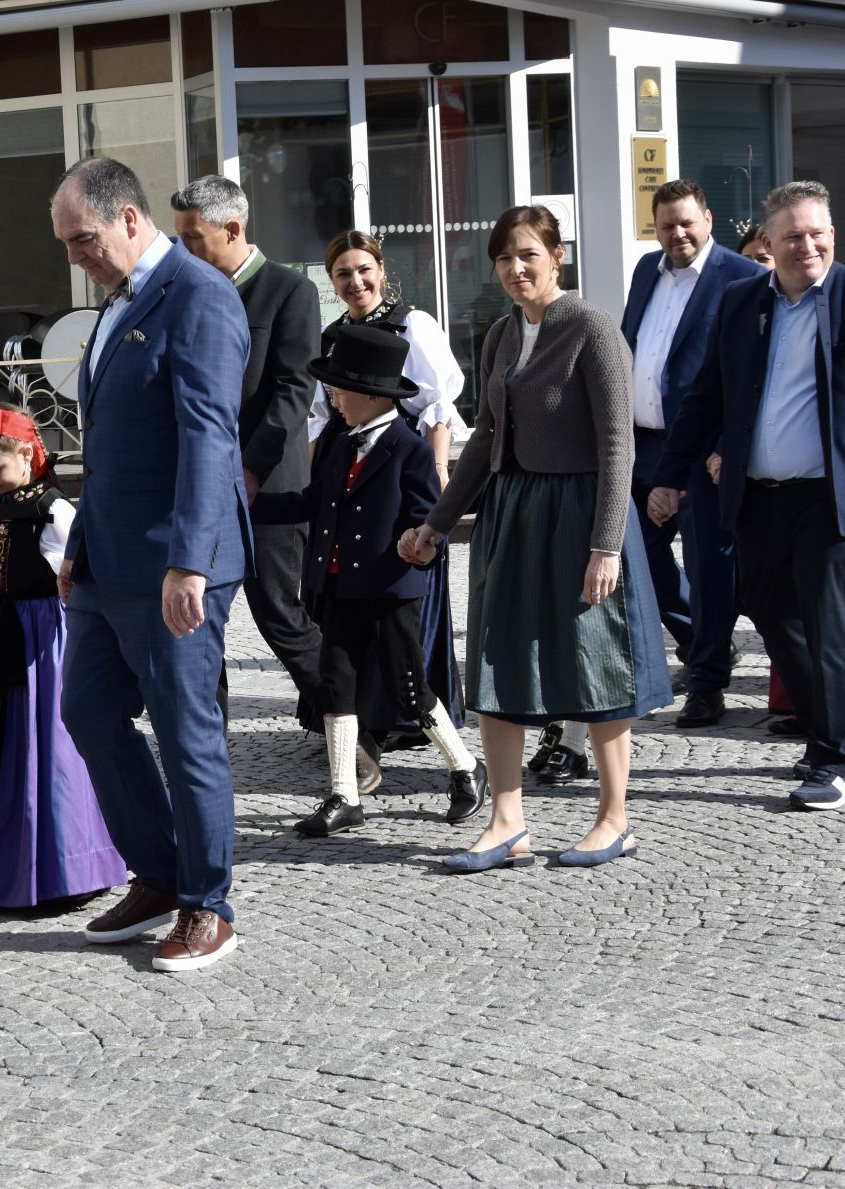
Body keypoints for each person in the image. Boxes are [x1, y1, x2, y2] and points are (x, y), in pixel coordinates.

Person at [650, 180, 845, 810]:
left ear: (832, 236)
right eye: (792, 236)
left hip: (837, 499)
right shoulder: (740, 303)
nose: (806, 246)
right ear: (769, 243)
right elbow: (707, 395)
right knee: (768, 607)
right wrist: (670, 475)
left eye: (817, 234)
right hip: (758, 494)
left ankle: (836, 756)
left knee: (832, 620)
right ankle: (831, 726)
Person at [400, 205, 668, 871]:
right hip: (512, 512)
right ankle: (507, 821)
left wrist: (606, 544)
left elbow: (617, 444)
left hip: (581, 513)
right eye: (503, 258)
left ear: (557, 257)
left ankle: (613, 817)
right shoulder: (498, 334)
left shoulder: (591, 327)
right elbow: (485, 436)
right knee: (499, 657)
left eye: (528, 254)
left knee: (595, 658)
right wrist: (437, 523)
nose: (515, 269)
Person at [50, 157, 252, 972]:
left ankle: (209, 902)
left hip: (176, 563)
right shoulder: (120, 300)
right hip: (107, 561)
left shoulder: (200, 296)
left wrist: (189, 562)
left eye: (84, 238)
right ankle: (160, 871)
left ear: (130, 218)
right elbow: (106, 444)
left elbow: (209, 436)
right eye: (66, 242)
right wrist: (77, 545)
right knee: (87, 710)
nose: (75, 255)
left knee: (183, 730)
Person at [253, 324, 485, 836]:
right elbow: (309, 504)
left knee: (407, 689)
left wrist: (419, 545)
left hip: (388, 592)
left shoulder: (410, 450)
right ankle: (344, 794)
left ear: (370, 394)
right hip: (338, 590)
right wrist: (247, 505)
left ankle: (466, 769)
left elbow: (432, 522)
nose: (331, 395)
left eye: (337, 387)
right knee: (335, 685)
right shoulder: (339, 446)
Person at [0, 398, 126, 908]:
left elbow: (80, 573)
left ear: (26, 452)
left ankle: (63, 871)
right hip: (2, 632)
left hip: (47, 639)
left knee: (50, 749)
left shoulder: (54, 510)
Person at [170, 175, 323, 736]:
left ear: (233, 229)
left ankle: (352, 731)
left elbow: (293, 391)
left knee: (280, 615)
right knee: (196, 616)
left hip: (269, 482)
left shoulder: (288, 291)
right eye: (180, 236)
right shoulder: (183, 291)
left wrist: (252, 468)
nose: (184, 248)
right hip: (200, 485)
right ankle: (205, 746)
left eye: (194, 237)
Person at [314, 230, 467, 788]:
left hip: (399, 481)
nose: (355, 282)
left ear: (381, 270)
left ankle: (425, 734)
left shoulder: (413, 325)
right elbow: (320, 419)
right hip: (350, 476)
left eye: (362, 270)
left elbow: (439, 407)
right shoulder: (333, 336)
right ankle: (359, 746)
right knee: (344, 626)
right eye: (342, 275)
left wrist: (438, 483)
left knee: (398, 619)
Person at [614, 179, 764, 733]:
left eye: (686, 222)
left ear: (707, 219)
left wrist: (726, 444)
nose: (676, 234)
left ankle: (706, 685)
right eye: (665, 224)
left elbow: (750, 374)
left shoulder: (742, 276)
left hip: (704, 451)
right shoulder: (644, 271)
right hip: (644, 443)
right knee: (641, 558)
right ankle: (702, 641)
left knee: (708, 561)